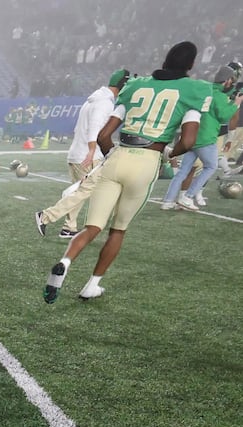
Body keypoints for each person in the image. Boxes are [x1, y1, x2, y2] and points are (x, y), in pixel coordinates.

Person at [43, 42, 212, 303]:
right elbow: (188, 141)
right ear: (190, 65)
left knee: (91, 227)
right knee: (117, 230)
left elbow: (103, 135)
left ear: (165, 60)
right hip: (147, 160)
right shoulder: (194, 91)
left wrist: (112, 155)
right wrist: (169, 154)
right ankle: (91, 285)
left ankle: (65, 262)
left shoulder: (136, 86)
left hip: (119, 154)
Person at [35, 69, 130, 238]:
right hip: (88, 156)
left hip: (76, 153)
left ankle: (69, 228)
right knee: (84, 191)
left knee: (77, 193)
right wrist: (92, 150)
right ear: (122, 87)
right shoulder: (105, 103)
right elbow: (94, 127)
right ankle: (46, 216)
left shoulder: (92, 100)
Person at [160, 62, 240, 210]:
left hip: (192, 135)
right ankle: (188, 196)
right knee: (211, 166)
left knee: (183, 171)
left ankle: (168, 201)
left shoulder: (206, 90)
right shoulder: (219, 96)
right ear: (227, 80)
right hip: (206, 137)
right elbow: (223, 116)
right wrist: (236, 104)